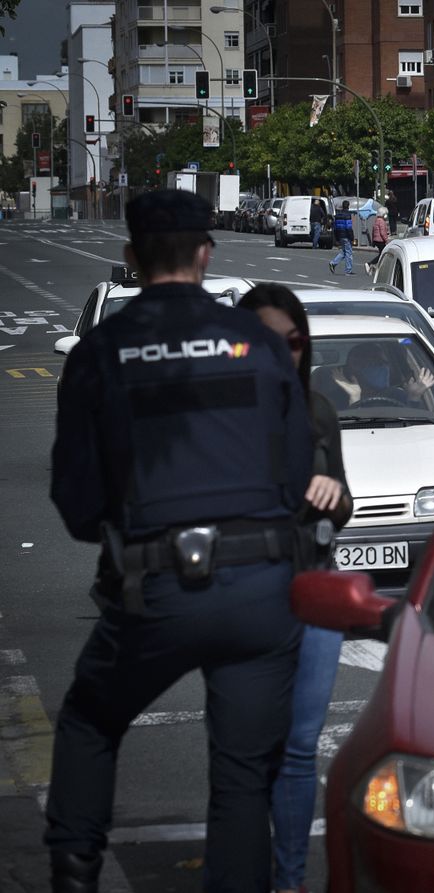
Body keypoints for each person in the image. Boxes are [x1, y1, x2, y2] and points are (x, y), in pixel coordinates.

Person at [46, 189, 313, 893]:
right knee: (242, 780)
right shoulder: (258, 343)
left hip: (156, 586)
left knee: (89, 720)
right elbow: (296, 476)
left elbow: (76, 504)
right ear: (206, 253)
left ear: (131, 258)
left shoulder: (102, 351)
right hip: (261, 590)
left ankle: (73, 868)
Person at [236, 283, 353, 893]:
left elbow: (344, 502)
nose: (283, 354)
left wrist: (333, 497)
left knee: (302, 747)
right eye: (263, 342)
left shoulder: (318, 411)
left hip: (313, 590)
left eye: (295, 341)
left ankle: (288, 883)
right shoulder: (219, 415)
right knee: (246, 752)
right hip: (244, 596)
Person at [319, 340, 434, 409]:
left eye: (383, 363)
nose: (382, 368)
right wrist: (354, 398)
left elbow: (415, 427)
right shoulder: (334, 399)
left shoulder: (396, 395)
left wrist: (414, 397)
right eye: (374, 363)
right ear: (354, 368)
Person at [328, 199, 355, 275]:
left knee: (344, 252)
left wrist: (336, 237)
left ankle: (333, 263)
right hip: (346, 235)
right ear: (348, 206)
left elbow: (335, 227)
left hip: (340, 235)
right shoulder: (347, 215)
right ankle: (348, 270)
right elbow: (348, 227)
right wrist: (352, 237)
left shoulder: (338, 215)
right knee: (349, 253)